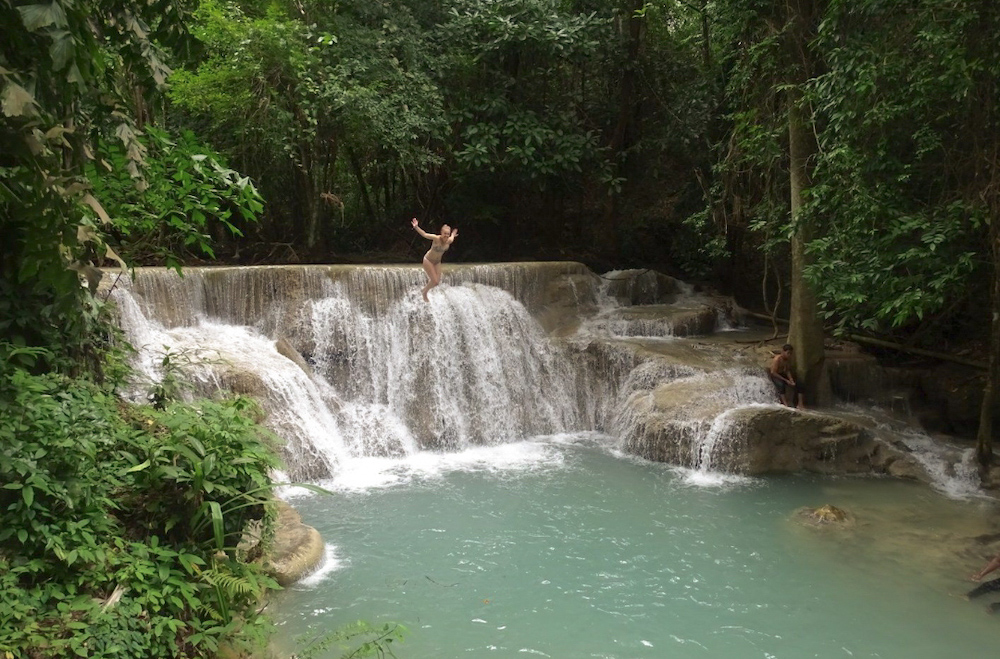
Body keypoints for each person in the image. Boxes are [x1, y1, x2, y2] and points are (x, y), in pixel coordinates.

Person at [411, 217, 458, 302]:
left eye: (448, 234)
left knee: (437, 282)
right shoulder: (436, 238)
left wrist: (453, 234)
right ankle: (424, 292)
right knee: (434, 281)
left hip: (437, 262)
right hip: (428, 260)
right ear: (441, 233)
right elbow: (425, 234)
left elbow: (452, 237)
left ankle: (424, 290)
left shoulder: (449, 241)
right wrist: (416, 227)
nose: (446, 235)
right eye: (445, 233)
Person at [770, 343, 804, 409]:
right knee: (781, 385)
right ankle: (785, 404)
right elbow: (773, 372)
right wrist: (786, 380)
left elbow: (787, 370)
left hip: (783, 374)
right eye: (788, 353)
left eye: (791, 353)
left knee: (800, 383)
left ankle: (800, 403)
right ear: (783, 352)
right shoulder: (777, 359)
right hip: (776, 375)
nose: (789, 355)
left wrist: (791, 379)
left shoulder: (787, 360)